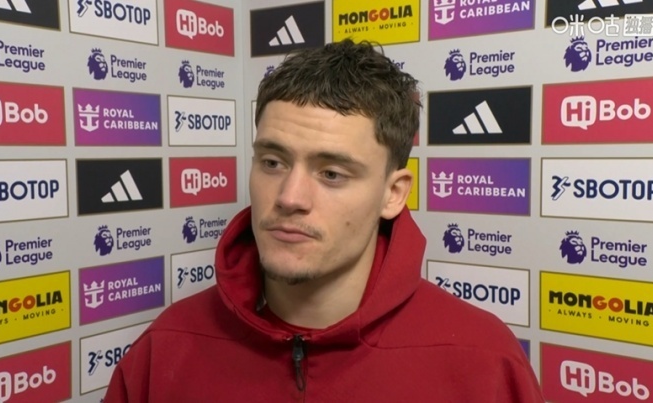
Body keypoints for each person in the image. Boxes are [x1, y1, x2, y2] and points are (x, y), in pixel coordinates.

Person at [104, 39, 544, 402]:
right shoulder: (165, 349)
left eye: (331, 173)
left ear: (393, 194)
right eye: (273, 162)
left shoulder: (483, 362)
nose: (289, 198)